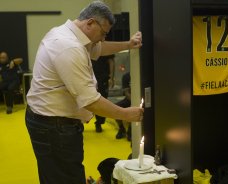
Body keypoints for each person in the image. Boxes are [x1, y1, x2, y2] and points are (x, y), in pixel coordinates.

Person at [25, 1, 143, 184]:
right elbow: (90, 101)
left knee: (57, 175)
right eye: (103, 33)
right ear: (90, 23)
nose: (103, 38)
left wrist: (128, 44)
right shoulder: (68, 46)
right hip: (54, 126)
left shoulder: (73, 34)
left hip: (50, 122)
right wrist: (126, 114)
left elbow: (99, 48)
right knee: (66, 177)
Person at [91, 54, 115, 132]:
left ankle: (99, 122)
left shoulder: (104, 46)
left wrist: (111, 77)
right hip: (89, 77)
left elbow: (111, 61)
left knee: (102, 99)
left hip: (102, 77)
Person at [115, 72, 131, 140]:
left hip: (142, 99)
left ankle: (131, 131)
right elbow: (126, 92)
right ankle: (122, 129)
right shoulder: (126, 76)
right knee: (116, 108)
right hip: (129, 99)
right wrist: (133, 101)